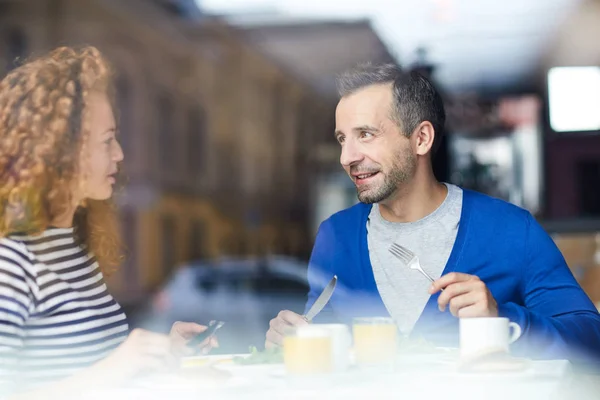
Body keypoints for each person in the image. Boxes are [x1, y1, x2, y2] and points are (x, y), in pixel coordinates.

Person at [266, 63, 600, 365]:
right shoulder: (335, 236)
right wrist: (293, 339)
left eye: (365, 134)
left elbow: (590, 341)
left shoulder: (512, 230)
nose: (346, 156)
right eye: (342, 139)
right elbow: (323, 340)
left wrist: (502, 321)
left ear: (421, 139)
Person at [0, 46, 216, 399]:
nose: (119, 153)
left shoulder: (74, 249)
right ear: (58, 151)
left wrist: (159, 354)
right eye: (107, 140)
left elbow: (90, 369)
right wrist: (117, 368)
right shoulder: (10, 262)